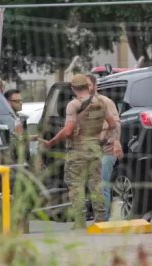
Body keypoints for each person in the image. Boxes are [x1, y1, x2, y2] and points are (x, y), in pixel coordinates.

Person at [43, 74, 117, 229]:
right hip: (95, 150)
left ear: (73, 88)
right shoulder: (102, 102)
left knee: (76, 185)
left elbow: (68, 131)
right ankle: (101, 219)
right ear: (87, 86)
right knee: (96, 185)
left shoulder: (74, 105)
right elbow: (112, 124)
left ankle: (79, 221)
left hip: (77, 151)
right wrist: (102, 138)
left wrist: (51, 142)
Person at [86, 74, 123, 219]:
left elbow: (116, 124)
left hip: (107, 149)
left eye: (88, 84)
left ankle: (104, 219)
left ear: (95, 86)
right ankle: (100, 217)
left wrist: (115, 142)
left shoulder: (105, 102)